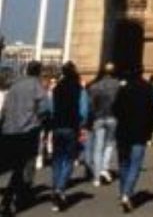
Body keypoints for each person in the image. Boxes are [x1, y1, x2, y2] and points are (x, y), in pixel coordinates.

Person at [0, 61, 48, 216]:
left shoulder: (14, 86)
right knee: (23, 165)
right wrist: (40, 120)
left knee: (9, 164)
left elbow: (5, 109)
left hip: (9, 130)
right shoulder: (37, 86)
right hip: (27, 131)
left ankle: (12, 196)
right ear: (39, 71)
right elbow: (45, 108)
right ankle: (14, 198)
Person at [112, 66, 153, 213]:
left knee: (123, 164)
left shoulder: (124, 89)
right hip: (140, 133)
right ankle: (127, 193)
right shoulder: (147, 88)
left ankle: (123, 193)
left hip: (123, 133)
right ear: (142, 73)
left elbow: (115, 109)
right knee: (135, 165)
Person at [50, 62, 90, 213]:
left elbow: (52, 109)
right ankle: (60, 188)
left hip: (57, 127)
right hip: (71, 128)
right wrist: (82, 126)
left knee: (57, 160)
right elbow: (84, 111)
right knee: (68, 159)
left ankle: (55, 188)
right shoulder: (79, 89)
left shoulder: (56, 89)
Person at [87, 62, 120, 186]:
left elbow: (91, 105)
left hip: (98, 118)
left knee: (98, 147)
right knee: (110, 144)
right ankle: (104, 168)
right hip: (113, 117)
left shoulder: (95, 86)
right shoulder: (118, 85)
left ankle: (96, 177)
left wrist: (92, 116)